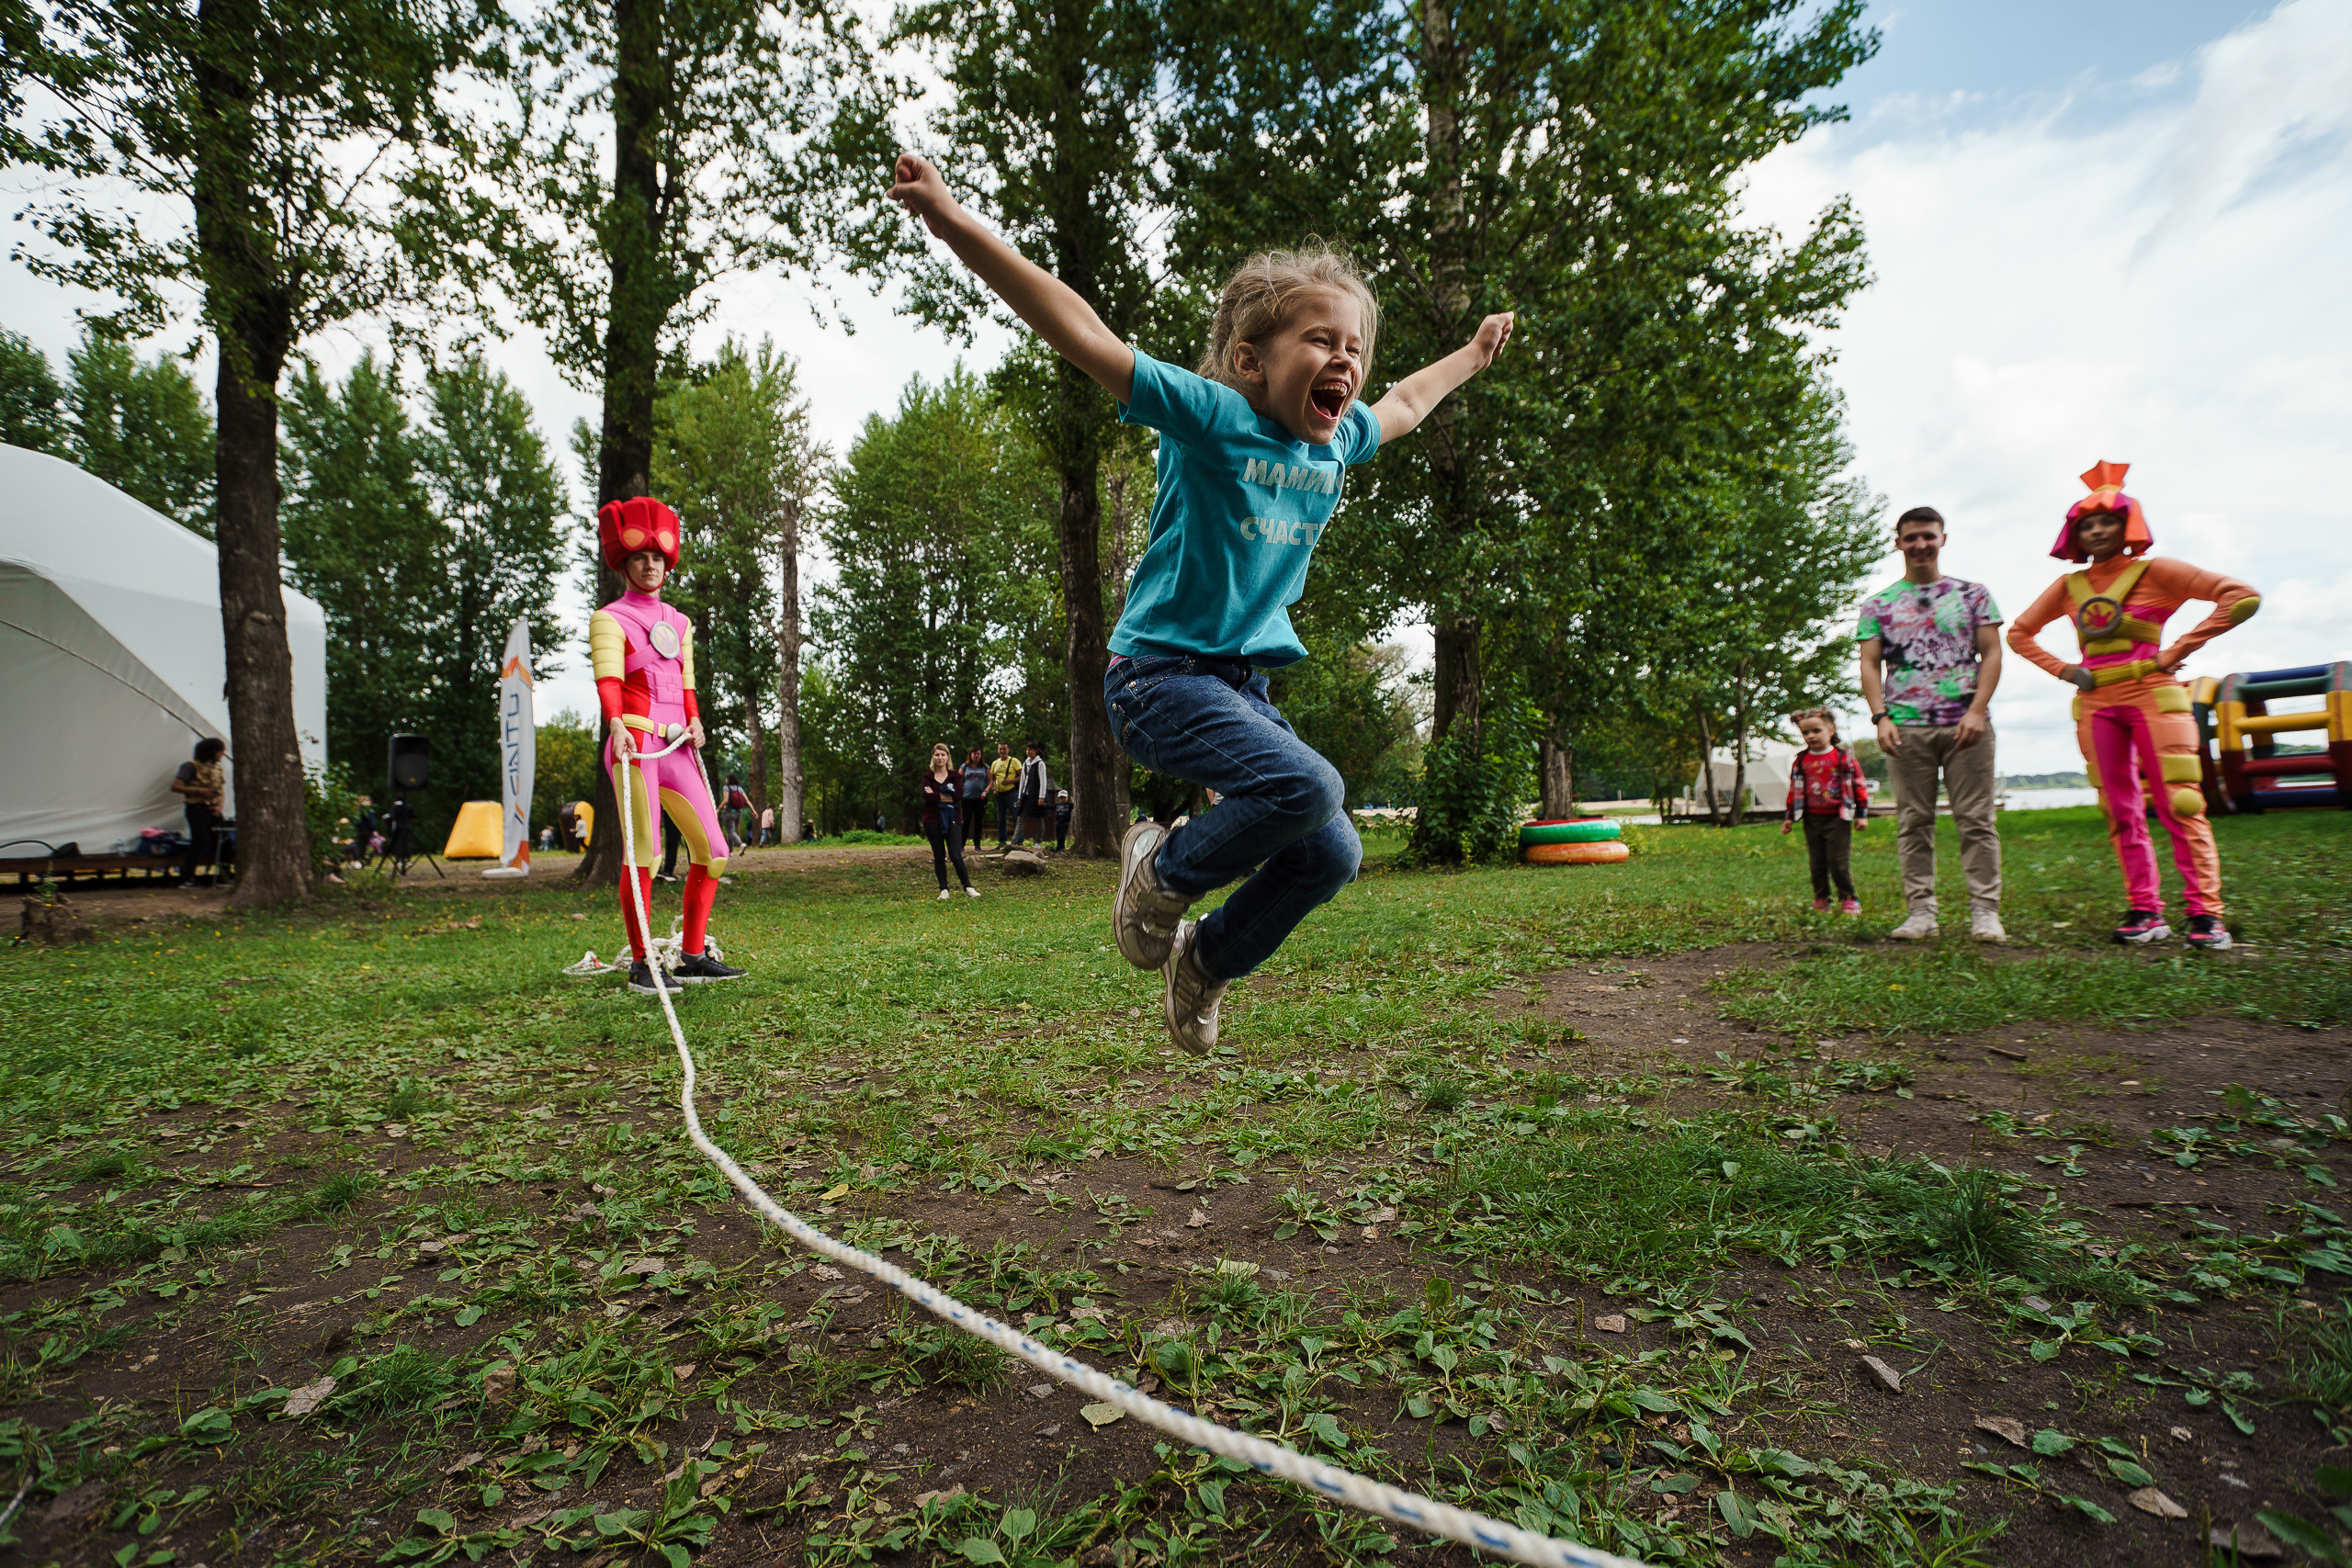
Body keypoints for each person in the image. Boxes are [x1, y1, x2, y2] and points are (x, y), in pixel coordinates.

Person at [886, 152, 1513, 1055]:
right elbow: (1079, 329)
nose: (1344, 360)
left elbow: (1410, 400)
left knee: (1334, 849)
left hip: (1238, 689)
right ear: (1251, 362)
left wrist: (1470, 355)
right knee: (1314, 785)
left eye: (1353, 348)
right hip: (1156, 678)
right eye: (1320, 341)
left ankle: (1207, 959)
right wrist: (949, 221)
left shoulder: (1334, 449)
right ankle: (1157, 874)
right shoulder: (1210, 414)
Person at [2007, 461, 2258, 950]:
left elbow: (2239, 596)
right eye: (2087, 524)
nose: (2097, 530)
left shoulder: (2158, 572)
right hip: (2095, 701)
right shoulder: (2068, 587)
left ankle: (2206, 914)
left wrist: (2179, 650)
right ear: (2074, 533)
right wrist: (2062, 670)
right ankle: (2145, 908)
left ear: (2128, 526)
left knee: (2180, 803)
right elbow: (2018, 633)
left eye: (2107, 521)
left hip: (2153, 693)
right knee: (2121, 809)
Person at [591, 495, 746, 995]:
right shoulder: (609, 619)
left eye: (658, 557)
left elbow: (687, 686)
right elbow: (609, 682)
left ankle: (692, 956)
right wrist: (614, 724)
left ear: (668, 561)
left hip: (678, 747)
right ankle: (642, 964)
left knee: (715, 850)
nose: (651, 564)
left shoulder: (680, 623)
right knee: (647, 855)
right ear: (625, 561)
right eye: (641, 557)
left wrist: (696, 722)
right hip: (635, 744)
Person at [1857, 505, 2007, 943]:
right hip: (1905, 728)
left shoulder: (1973, 594)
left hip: (1967, 725)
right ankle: (1921, 912)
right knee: (1913, 820)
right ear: (1898, 542)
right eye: (1911, 537)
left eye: (1928, 535)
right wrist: (1880, 717)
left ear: (1942, 538)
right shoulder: (1878, 604)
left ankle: (1985, 913)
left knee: (1976, 819)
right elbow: (1869, 663)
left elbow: (1992, 653)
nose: (1920, 544)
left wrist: (1977, 710)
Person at [1780, 708, 1870, 913]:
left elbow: (1859, 785)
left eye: (1816, 731)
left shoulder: (1842, 757)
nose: (1810, 736)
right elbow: (1794, 789)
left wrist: (1861, 814)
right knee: (1817, 862)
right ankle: (1821, 899)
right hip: (1812, 819)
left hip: (1837, 819)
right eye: (1805, 733)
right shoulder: (1801, 760)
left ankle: (1849, 899)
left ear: (1830, 730)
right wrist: (1789, 817)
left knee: (1838, 862)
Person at [920, 743, 982, 900]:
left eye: (943, 754)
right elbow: (927, 797)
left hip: (953, 819)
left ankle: (968, 887)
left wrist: (936, 794)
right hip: (932, 820)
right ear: (933, 757)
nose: (940, 758)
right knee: (939, 856)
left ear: (948, 757)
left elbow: (959, 795)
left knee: (955, 854)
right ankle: (944, 890)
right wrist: (945, 795)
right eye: (937, 755)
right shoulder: (927, 776)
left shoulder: (955, 776)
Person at [171, 738, 228, 886]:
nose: (222, 754)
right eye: (220, 750)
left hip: (213, 809)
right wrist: (199, 791)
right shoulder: (190, 766)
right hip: (196, 808)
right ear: (212, 751)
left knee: (224, 841)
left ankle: (224, 876)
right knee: (199, 841)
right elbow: (175, 786)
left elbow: (221, 791)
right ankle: (188, 878)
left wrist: (219, 807)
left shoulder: (218, 769)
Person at [1012, 741, 1052, 851]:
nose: (1028, 752)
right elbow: (1023, 781)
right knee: (1021, 818)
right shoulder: (1025, 764)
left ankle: (1038, 841)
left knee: (1039, 818)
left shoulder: (1040, 764)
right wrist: (1020, 795)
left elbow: (1043, 780)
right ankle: (1014, 841)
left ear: (1035, 751)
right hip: (1026, 795)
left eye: (1030, 749)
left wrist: (1041, 797)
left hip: (1036, 795)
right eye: (1027, 750)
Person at [988, 740, 1019, 849]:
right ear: (998, 750)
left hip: (1012, 793)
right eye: (1000, 749)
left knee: (1016, 817)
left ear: (1008, 749)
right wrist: (994, 789)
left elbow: (1022, 776)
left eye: (1004, 749)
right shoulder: (995, 763)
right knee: (1001, 819)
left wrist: (1010, 781)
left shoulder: (1014, 761)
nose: (1002, 751)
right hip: (1000, 795)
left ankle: (1019, 842)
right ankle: (1002, 842)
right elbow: (992, 778)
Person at [959, 748, 990, 851]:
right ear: (970, 755)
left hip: (980, 798)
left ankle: (977, 845)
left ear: (981, 755)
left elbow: (991, 781)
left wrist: (987, 789)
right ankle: (961, 845)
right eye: (974, 754)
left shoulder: (985, 767)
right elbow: (959, 780)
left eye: (978, 754)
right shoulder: (965, 767)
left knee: (978, 821)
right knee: (966, 821)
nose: (976, 756)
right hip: (967, 797)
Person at [720, 774, 752, 852]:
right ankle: (730, 851)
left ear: (728, 780)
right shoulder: (739, 788)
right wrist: (753, 810)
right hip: (738, 812)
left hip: (729, 812)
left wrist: (718, 808)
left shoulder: (726, 787)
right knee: (732, 831)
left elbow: (726, 800)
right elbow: (747, 800)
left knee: (730, 831)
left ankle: (740, 844)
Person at [1053, 788, 1073, 852]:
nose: (1062, 799)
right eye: (1061, 798)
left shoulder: (1069, 805)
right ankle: (1058, 846)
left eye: (1064, 798)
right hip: (1058, 822)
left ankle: (1062, 847)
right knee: (1058, 835)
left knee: (1062, 835)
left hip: (1065, 823)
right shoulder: (1057, 805)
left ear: (1067, 798)